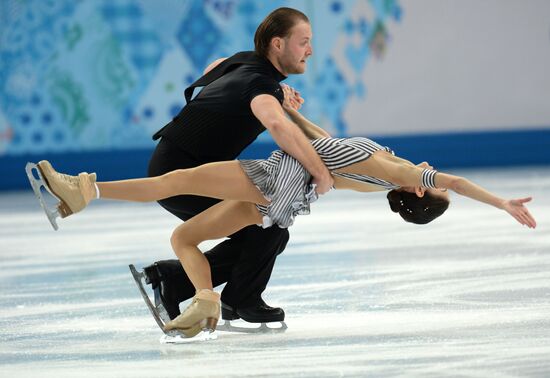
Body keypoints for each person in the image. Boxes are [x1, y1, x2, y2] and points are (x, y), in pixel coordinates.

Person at [31, 88, 536, 336]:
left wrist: (501, 202)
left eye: (434, 185)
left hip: (273, 181)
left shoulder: (399, 174)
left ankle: (84, 191)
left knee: (176, 180)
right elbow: (319, 140)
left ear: (423, 193)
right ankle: (206, 299)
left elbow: (457, 182)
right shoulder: (381, 168)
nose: (434, 172)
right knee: (183, 238)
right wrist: (287, 106)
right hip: (277, 204)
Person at [139, 7, 333, 325]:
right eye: (304, 42)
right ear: (278, 44)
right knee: (268, 220)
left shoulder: (243, 62)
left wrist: (280, 100)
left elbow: (214, 68)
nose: (310, 50)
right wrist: (319, 170)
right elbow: (276, 125)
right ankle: (237, 298)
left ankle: (178, 281)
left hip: (175, 165)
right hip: (183, 175)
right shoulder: (261, 82)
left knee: (265, 234)